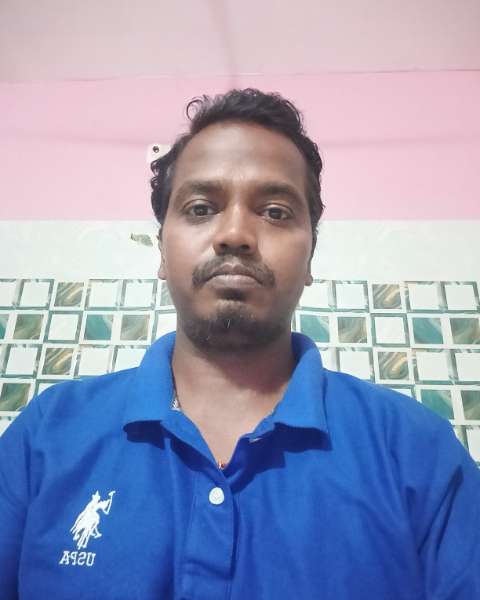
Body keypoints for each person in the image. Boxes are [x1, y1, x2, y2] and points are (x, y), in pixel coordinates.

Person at [0, 88, 479, 599]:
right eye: (200, 207)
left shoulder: (419, 452)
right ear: (161, 250)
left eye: (274, 212)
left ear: (311, 257)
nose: (234, 233)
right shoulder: (47, 435)